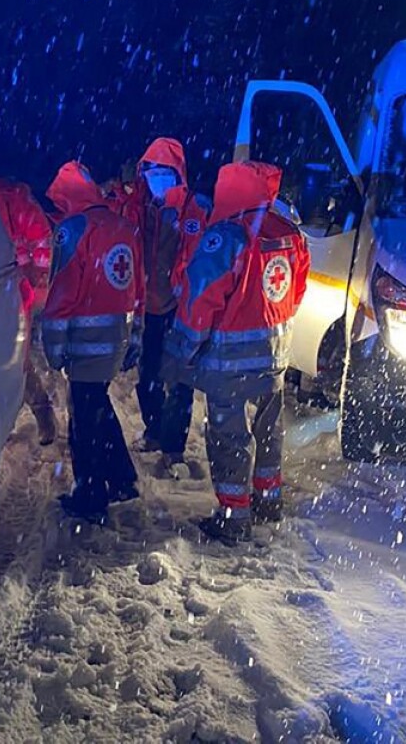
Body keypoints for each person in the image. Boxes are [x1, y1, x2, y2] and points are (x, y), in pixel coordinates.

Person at [165, 161, 310, 544]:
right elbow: (296, 293)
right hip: (274, 357)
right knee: (269, 430)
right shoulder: (288, 232)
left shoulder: (226, 236)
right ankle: (268, 499)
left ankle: (233, 517)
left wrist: (181, 351)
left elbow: (200, 300)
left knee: (229, 438)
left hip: (229, 366)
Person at [42, 160, 145, 522]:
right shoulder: (124, 226)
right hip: (116, 339)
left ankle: (91, 494)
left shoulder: (73, 230)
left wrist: (53, 347)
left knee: (84, 421)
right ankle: (122, 479)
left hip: (84, 343)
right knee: (97, 405)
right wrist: (137, 335)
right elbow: (138, 287)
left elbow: (62, 293)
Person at [114, 138, 211, 470]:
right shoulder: (139, 206)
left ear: (177, 173)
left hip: (178, 308)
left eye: (163, 171)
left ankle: (173, 448)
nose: (156, 177)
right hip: (146, 306)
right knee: (148, 374)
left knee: (179, 382)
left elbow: (199, 258)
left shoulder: (193, 209)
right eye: (151, 171)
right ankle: (154, 431)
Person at [0, 161, 59, 445]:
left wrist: (34, 277)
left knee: (16, 358)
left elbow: (42, 240)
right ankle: (4, 418)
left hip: (19, 292)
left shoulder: (10, 196)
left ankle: (43, 415)